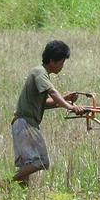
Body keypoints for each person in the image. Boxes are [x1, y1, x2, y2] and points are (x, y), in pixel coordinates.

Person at [12, 39, 82, 186]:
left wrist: (66, 100)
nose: (62, 67)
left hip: (24, 123)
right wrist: (69, 107)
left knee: (28, 165)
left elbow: (44, 104)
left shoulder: (41, 73)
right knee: (41, 162)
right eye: (61, 63)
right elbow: (52, 92)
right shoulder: (40, 72)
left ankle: (22, 198)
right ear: (52, 61)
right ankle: (8, 182)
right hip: (26, 124)